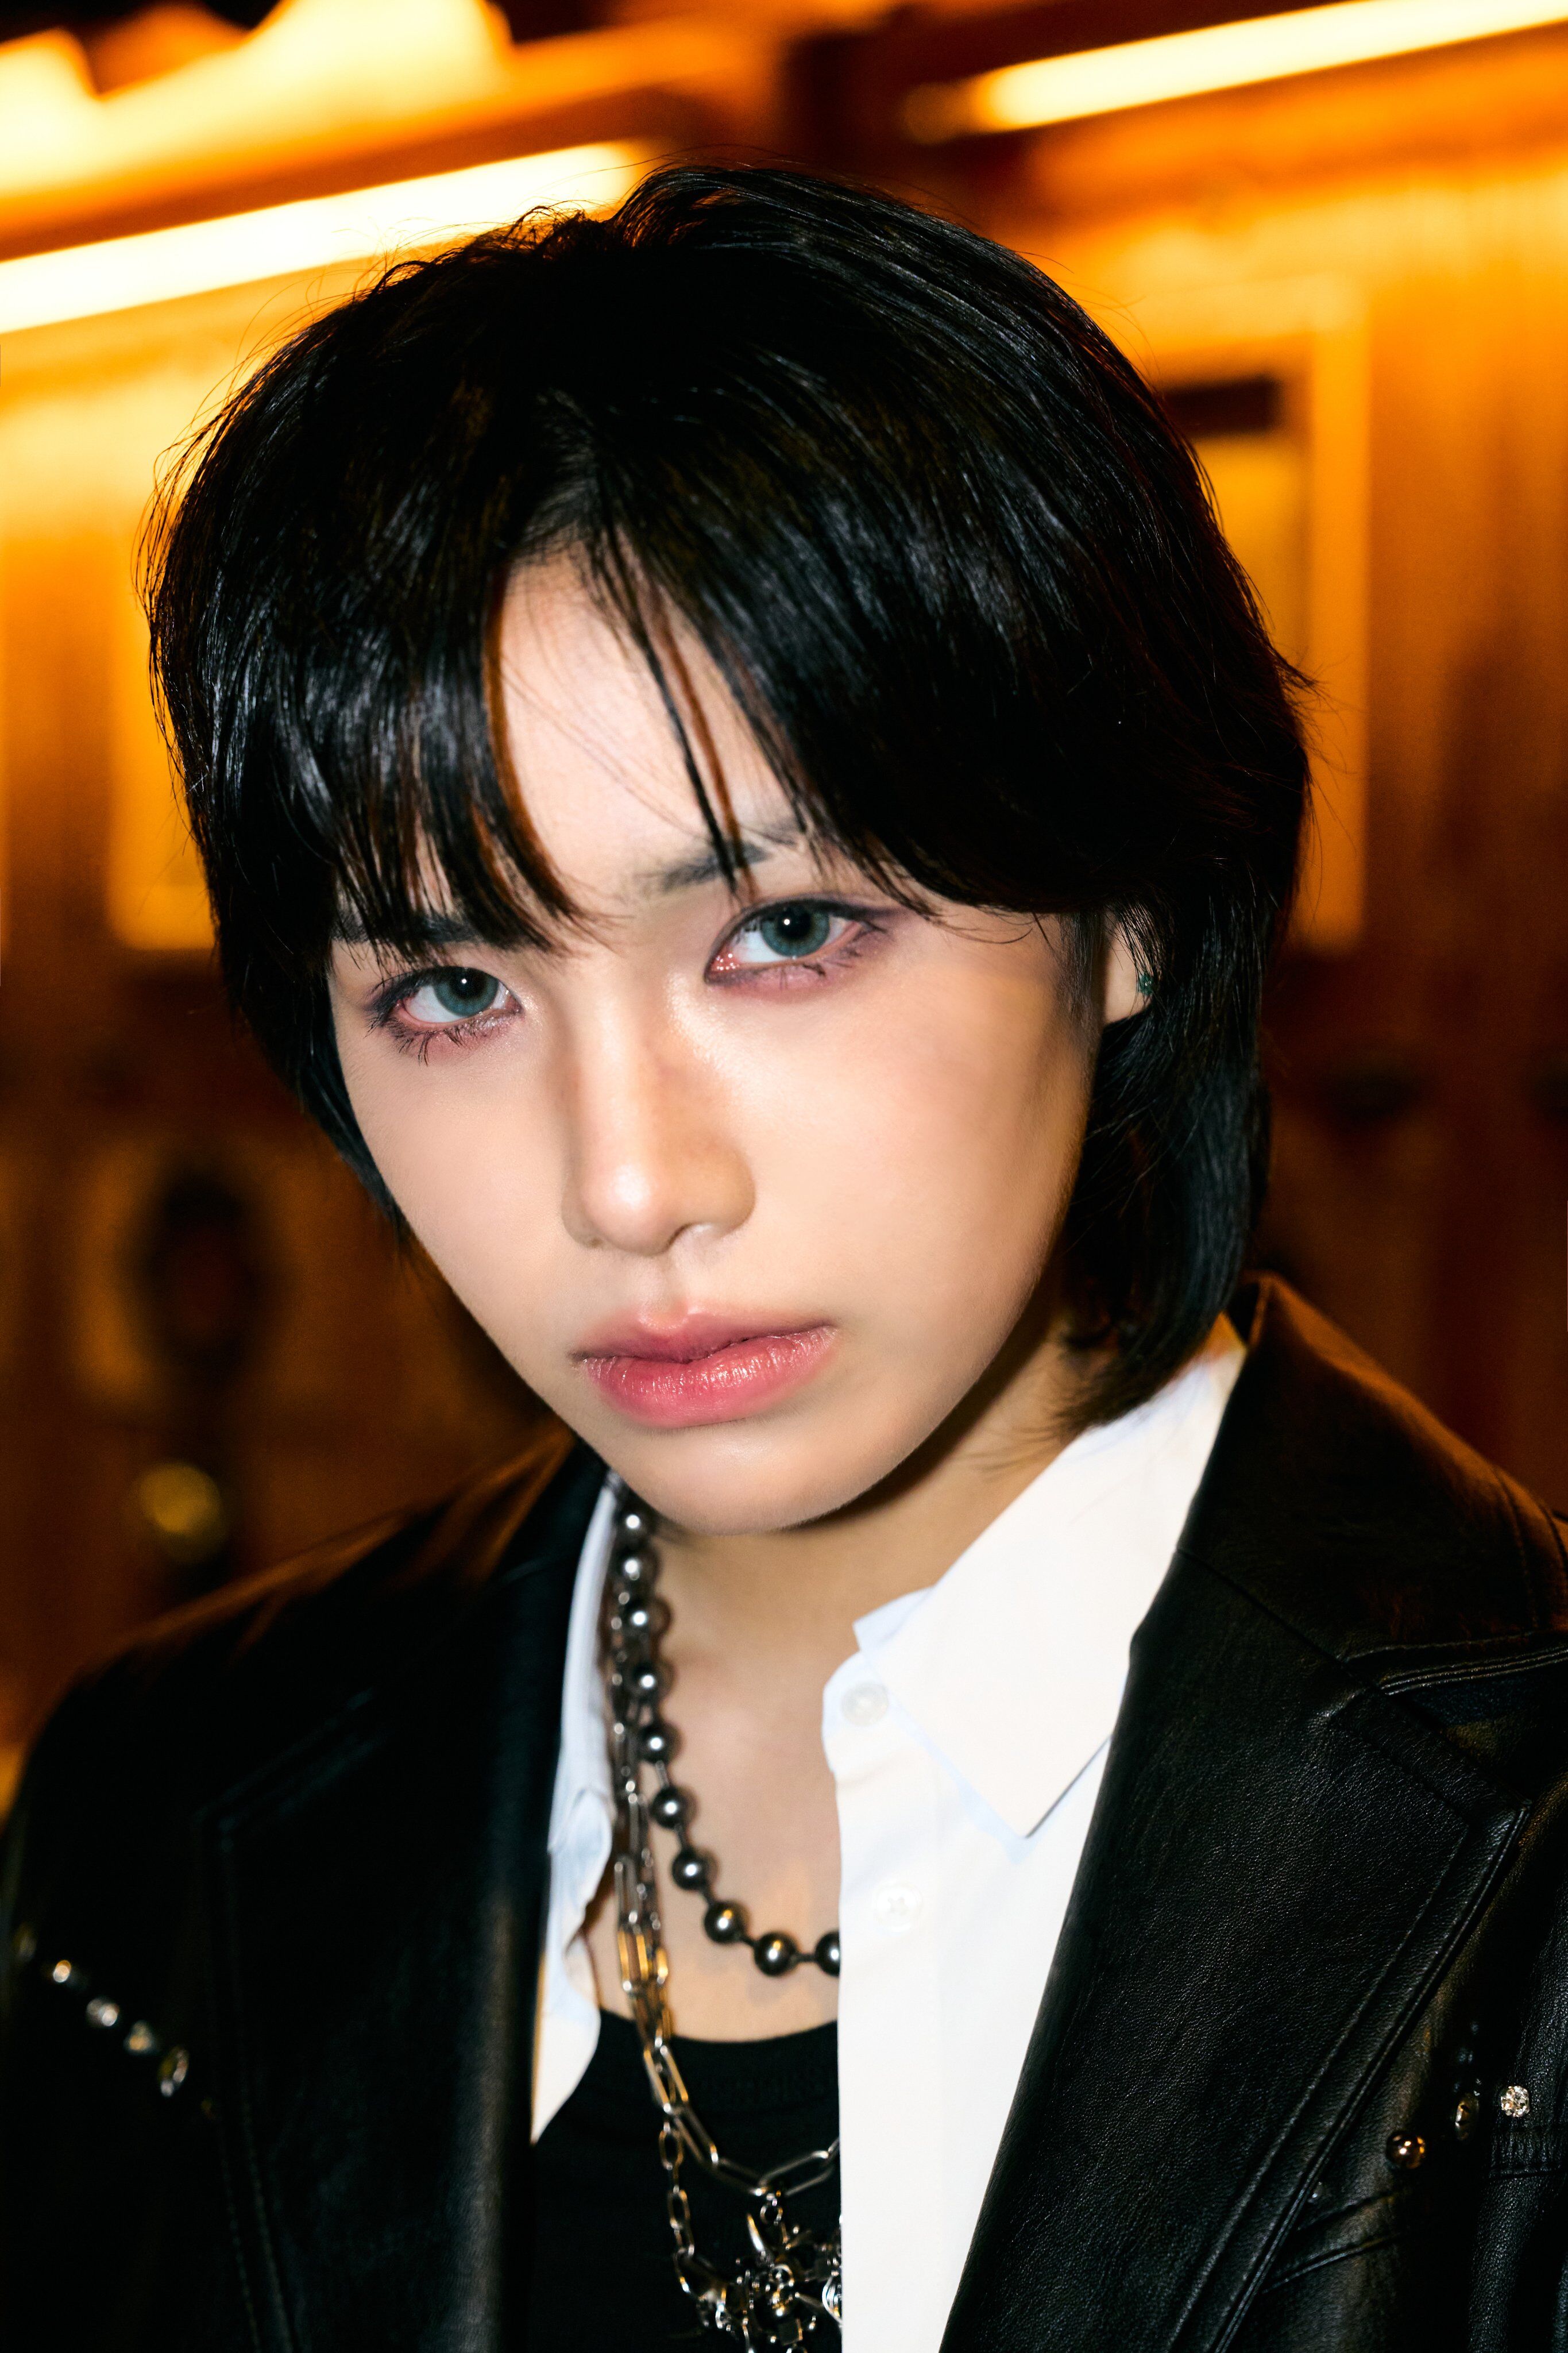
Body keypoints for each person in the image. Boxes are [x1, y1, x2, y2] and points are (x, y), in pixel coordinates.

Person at [2, 164, 1565, 2353]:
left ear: (1127, 903)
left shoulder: (1533, 1858)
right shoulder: (161, 1810)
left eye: (788, 932)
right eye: (452, 988)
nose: (627, 1184)